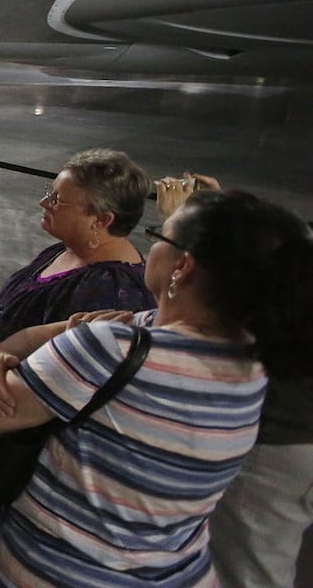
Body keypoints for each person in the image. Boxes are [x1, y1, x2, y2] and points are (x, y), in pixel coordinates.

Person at [0, 188, 313, 587]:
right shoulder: (255, 363)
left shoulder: (110, 349)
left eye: (160, 235)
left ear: (183, 266)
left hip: (64, 574)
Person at [148, 174, 313, 588]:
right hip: (284, 431)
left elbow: (194, 313)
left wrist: (183, 232)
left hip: (277, 440)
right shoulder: (294, 249)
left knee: (245, 571)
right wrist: (218, 220)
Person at [0, 149, 153, 438]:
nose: (43, 202)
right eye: (50, 192)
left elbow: (67, 383)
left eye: (57, 199)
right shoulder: (66, 248)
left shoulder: (109, 290)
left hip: (3, 436)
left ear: (101, 220)